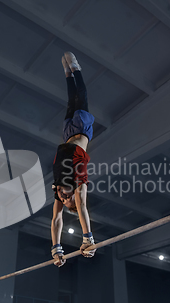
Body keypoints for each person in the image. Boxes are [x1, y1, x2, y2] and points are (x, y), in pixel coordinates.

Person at [51, 51, 96, 268]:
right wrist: (87, 238)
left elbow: (56, 220)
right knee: (82, 96)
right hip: (80, 137)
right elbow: (83, 206)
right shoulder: (77, 188)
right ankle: (76, 69)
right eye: (71, 202)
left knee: (71, 100)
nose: (69, 200)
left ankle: (67, 74)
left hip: (67, 134)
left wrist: (56, 248)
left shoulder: (59, 194)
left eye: (69, 202)